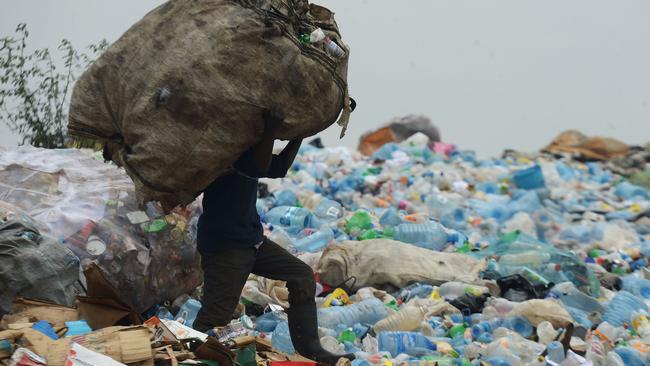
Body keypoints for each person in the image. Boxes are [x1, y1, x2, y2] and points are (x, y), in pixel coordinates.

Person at [193, 109, 352, 365]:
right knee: (213, 319)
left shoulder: (248, 150)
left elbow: (277, 168)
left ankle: (312, 351)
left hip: (252, 240)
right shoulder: (221, 153)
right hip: (227, 246)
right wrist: (270, 129)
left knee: (300, 276)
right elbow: (257, 165)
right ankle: (188, 357)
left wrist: (298, 135)